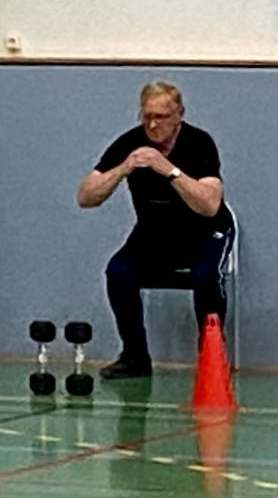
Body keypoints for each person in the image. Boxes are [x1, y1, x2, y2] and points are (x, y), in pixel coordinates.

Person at [76, 81, 232, 380]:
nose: (152, 124)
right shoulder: (131, 142)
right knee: (118, 272)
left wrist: (168, 170)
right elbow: (85, 197)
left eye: (161, 117)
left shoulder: (199, 143)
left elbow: (210, 205)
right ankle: (134, 356)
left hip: (205, 231)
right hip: (154, 231)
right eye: (146, 116)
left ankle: (211, 356)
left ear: (179, 115)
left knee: (206, 277)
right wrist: (123, 168)